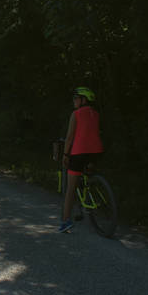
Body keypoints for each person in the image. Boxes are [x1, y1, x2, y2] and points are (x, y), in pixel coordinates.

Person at [59, 87, 104, 233]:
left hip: (79, 153)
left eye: (76, 98)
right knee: (87, 177)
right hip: (96, 153)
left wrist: (65, 155)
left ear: (83, 99)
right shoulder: (96, 114)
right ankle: (90, 199)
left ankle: (65, 222)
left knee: (70, 189)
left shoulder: (76, 114)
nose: (74, 100)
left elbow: (70, 136)